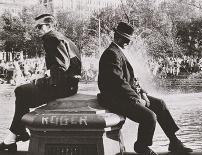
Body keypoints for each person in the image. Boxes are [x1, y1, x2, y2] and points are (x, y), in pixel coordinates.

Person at [97, 22, 192, 155]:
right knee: (149, 117)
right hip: (116, 99)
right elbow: (118, 83)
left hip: (125, 95)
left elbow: (131, 79)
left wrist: (143, 93)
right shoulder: (111, 54)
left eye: (129, 40)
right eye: (126, 40)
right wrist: (137, 98)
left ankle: (174, 141)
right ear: (117, 37)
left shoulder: (118, 52)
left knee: (160, 104)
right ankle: (141, 146)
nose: (128, 43)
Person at [0, 14, 81, 152]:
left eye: (40, 26)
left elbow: (60, 68)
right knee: (24, 93)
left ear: (49, 26)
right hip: (71, 85)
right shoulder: (63, 37)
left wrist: (41, 81)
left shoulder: (51, 38)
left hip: (63, 86)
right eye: (36, 26)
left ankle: (16, 134)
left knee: (21, 91)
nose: (37, 29)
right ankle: (15, 134)